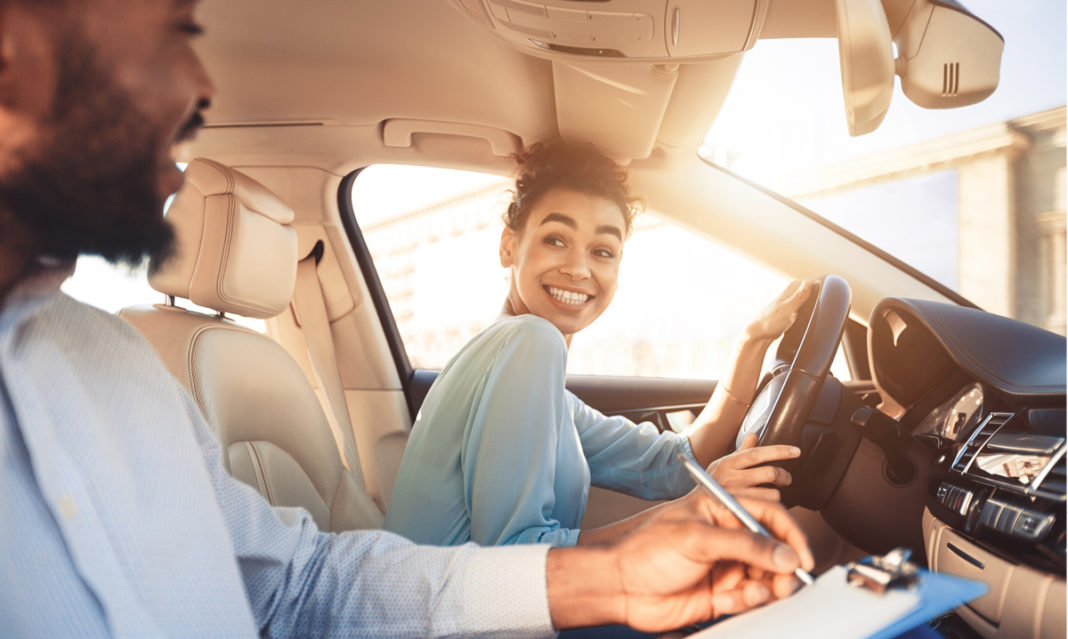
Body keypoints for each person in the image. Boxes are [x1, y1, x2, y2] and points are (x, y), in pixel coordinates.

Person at [0, 0, 814, 636]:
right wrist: (646, 540)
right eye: (162, 35)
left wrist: (748, 352)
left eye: (605, 249)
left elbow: (295, 587)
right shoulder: (525, 345)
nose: (198, 85)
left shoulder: (112, 359)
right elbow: (523, 544)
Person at [384, 139, 813, 549]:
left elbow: (671, 464)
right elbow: (516, 553)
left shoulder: (534, 378)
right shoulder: (530, 340)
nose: (578, 268)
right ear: (509, 246)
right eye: (556, 240)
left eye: (602, 251)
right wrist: (691, 512)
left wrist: (751, 341)